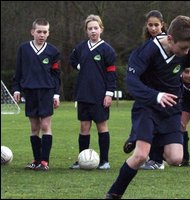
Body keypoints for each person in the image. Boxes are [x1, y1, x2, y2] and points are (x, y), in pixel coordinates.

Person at [105, 15, 190, 199]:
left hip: (171, 109)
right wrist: (156, 95)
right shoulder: (147, 51)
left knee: (176, 158)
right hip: (147, 107)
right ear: (170, 38)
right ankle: (114, 193)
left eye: (189, 48)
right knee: (140, 156)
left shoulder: (188, 51)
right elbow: (131, 81)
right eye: (184, 48)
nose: (187, 53)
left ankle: (144, 136)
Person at [69, 14, 117, 170]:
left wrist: (109, 93)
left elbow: (111, 74)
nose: (93, 31)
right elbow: (72, 60)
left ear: (101, 29)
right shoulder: (81, 47)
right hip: (83, 94)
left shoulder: (107, 50)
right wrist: (80, 67)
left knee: (102, 126)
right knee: (84, 127)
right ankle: (82, 159)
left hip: (100, 95)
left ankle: (104, 161)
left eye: (96, 28)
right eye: (90, 28)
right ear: (86, 31)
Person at [12, 18, 61, 171]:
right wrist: (17, 89)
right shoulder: (24, 49)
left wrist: (56, 94)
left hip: (46, 91)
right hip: (30, 92)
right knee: (34, 127)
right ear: (32, 32)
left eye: (45, 32)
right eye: (39, 31)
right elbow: (18, 71)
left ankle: (44, 162)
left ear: (48, 33)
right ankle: (36, 160)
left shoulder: (53, 51)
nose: (41, 34)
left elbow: (56, 75)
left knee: (45, 125)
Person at [122, 10, 167, 170]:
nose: (153, 28)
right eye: (150, 25)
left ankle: (157, 160)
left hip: (163, 91)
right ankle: (135, 138)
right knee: (140, 114)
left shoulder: (168, 42)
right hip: (148, 91)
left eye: (156, 25)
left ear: (163, 25)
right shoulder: (146, 45)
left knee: (155, 123)